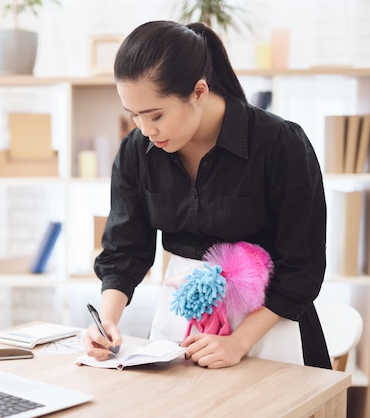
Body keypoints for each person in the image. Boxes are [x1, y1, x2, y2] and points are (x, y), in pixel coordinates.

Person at [82, 20, 332, 370]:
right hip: (178, 325)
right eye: (134, 115)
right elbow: (125, 250)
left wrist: (237, 342)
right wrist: (106, 324)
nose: (145, 130)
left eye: (155, 115)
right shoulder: (137, 151)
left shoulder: (280, 145)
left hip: (268, 331)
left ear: (199, 91)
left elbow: (302, 267)